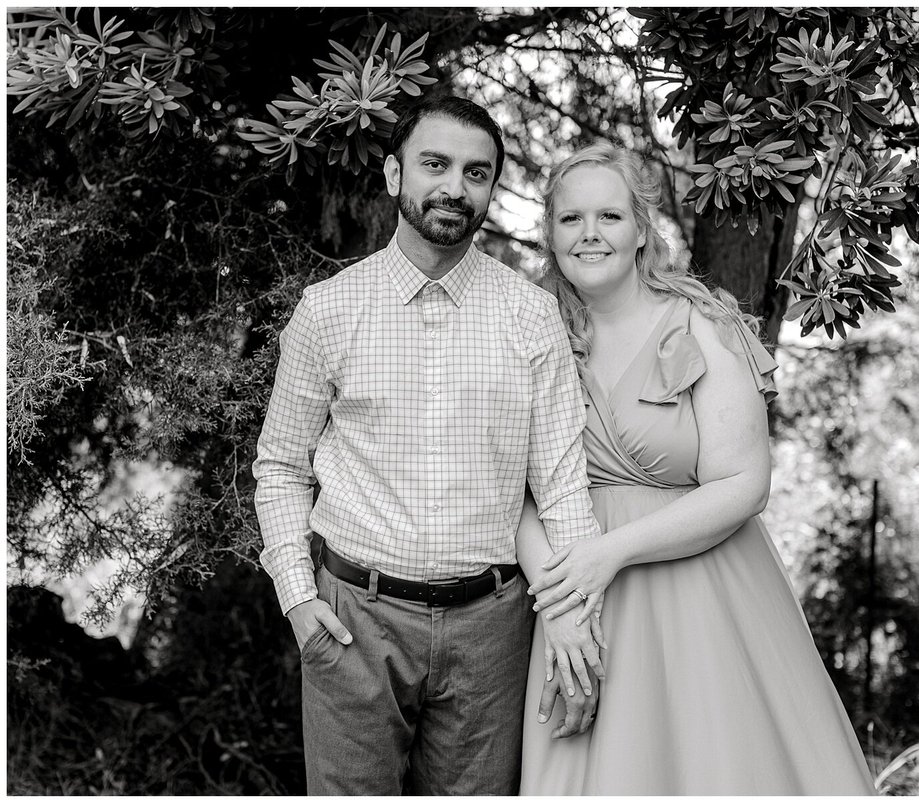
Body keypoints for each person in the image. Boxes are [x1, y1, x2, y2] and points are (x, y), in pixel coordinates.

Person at [252, 96, 605, 796]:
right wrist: (298, 599)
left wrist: (576, 622)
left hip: (494, 630)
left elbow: (562, 486)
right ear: (393, 175)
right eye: (435, 165)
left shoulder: (531, 315)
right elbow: (281, 466)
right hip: (354, 620)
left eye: (477, 173)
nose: (455, 186)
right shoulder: (329, 310)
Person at [517, 142, 876, 795]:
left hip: (704, 591)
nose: (590, 234)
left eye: (610, 216)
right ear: (550, 232)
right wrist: (558, 604)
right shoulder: (525, 331)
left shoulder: (699, 323)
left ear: (640, 229)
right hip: (574, 600)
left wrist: (612, 552)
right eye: (570, 219)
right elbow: (512, 493)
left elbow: (745, 482)